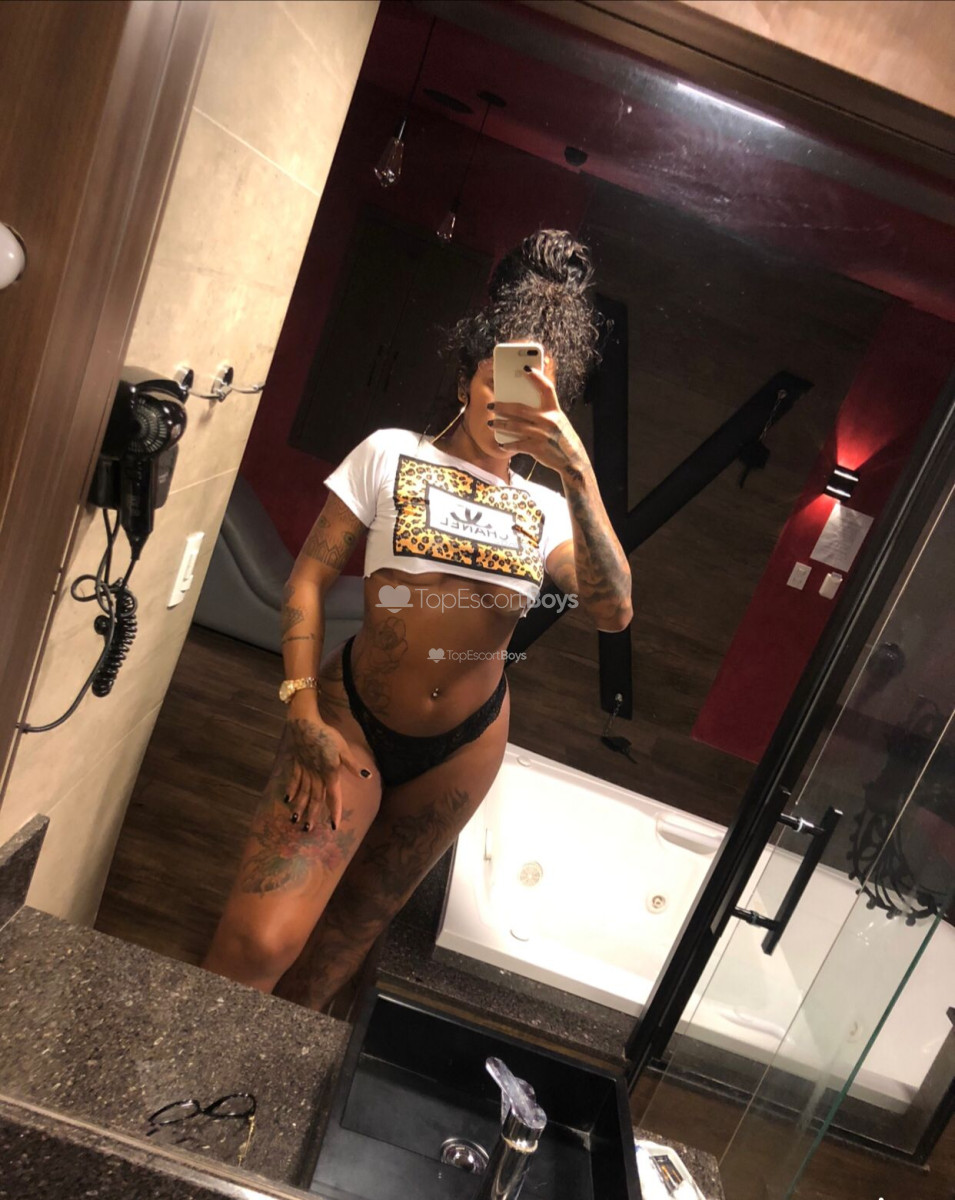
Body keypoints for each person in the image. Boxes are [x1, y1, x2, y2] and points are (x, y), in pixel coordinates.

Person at [201, 229, 633, 1009]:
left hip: (462, 751)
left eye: (535, 396)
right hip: (351, 719)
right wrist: (299, 709)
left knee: (340, 948)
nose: (509, 406)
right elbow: (306, 581)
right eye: (498, 381)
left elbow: (612, 610)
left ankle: (259, 1081)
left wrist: (578, 471)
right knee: (256, 943)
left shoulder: (546, 510)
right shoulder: (389, 454)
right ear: (467, 376)